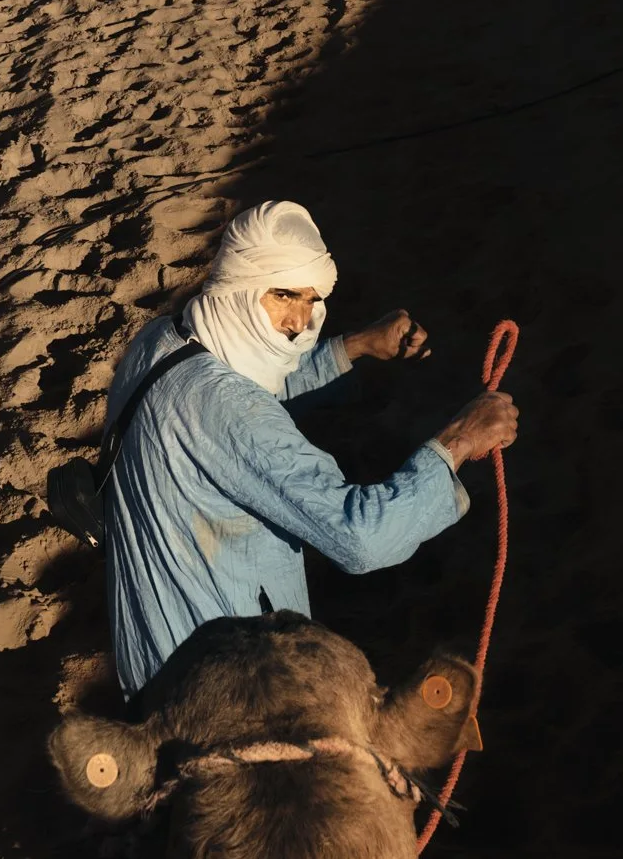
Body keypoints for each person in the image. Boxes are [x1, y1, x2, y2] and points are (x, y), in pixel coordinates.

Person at [100, 198, 518, 696]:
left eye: (312, 299)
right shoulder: (228, 406)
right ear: (241, 283)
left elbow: (250, 399)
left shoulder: (164, 338)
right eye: (283, 295)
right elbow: (361, 538)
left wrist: (353, 347)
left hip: (148, 655)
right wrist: (459, 441)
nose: (300, 321)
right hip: (220, 689)